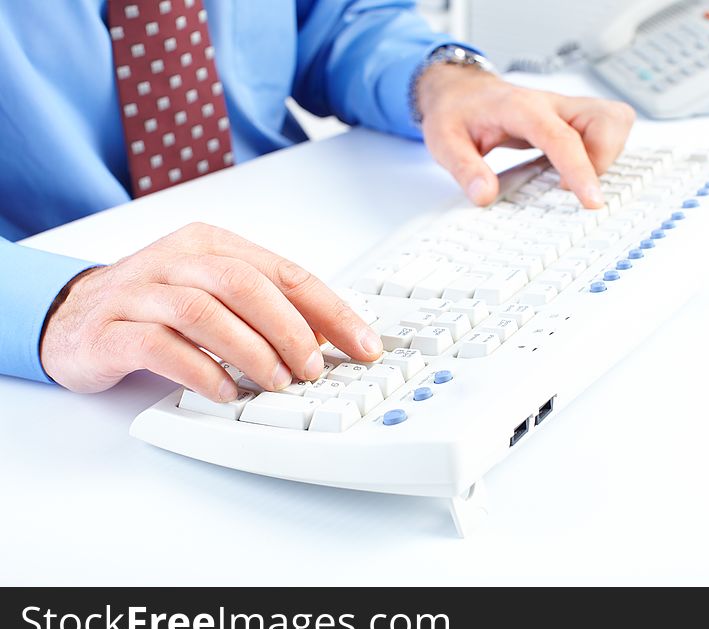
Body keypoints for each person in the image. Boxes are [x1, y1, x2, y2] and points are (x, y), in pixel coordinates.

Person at [0, 0, 634, 403]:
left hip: (297, 237)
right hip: (62, 340)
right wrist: (54, 305)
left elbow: (330, 19)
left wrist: (438, 80)